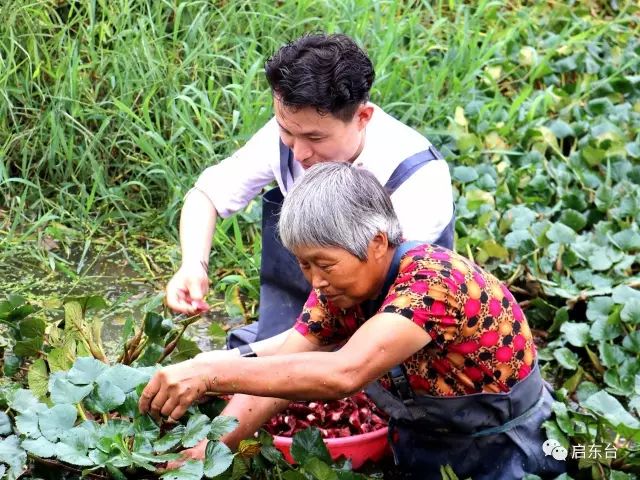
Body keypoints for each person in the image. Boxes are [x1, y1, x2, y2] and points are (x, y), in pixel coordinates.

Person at [140, 163, 565, 479]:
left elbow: (343, 374)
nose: (315, 281)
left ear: (377, 243)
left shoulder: (433, 284)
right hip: (425, 445)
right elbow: (280, 373)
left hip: (505, 451)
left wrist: (210, 370)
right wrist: (208, 450)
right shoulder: (341, 288)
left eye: (324, 264)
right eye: (304, 266)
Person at [165, 33, 454, 350]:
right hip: (302, 320)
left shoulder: (417, 179)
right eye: (287, 131)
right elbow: (206, 195)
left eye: (315, 138)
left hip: (387, 330)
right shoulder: (293, 131)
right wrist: (193, 265)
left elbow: (366, 330)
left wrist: (247, 365)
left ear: (362, 117)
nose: (299, 153)